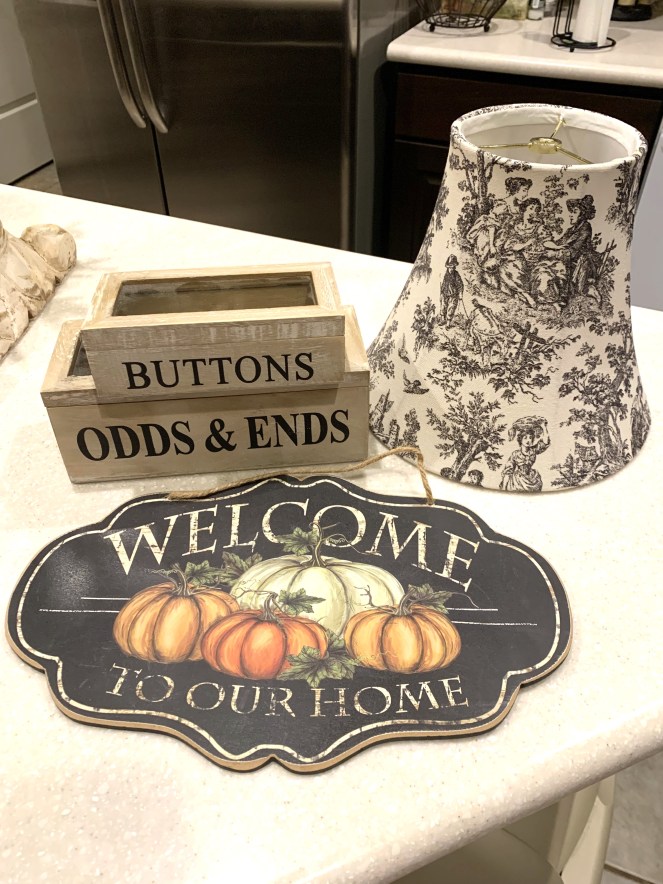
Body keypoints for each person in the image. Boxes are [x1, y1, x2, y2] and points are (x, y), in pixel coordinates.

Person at [498, 198, 542, 306]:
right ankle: (525, 295)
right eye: (531, 208)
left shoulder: (538, 227)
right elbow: (510, 245)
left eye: (536, 210)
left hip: (529, 260)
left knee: (514, 269)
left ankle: (522, 294)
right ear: (524, 209)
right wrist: (526, 244)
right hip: (514, 257)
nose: (533, 212)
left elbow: (543, 243)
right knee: (504, 269)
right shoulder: (515, 226)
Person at [500, 418, 550, 492]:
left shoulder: (533, 450)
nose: (528, 440)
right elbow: (508, 471)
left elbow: (546, 442)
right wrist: (504, 488)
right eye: (525, 438)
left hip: (532, 479)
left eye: (530, 438)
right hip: (518, 480)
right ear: (521, 440)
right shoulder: (515, 454)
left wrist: (544, 426)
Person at [440, 254, 464, 327]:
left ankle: (448, 323)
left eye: (453, 266)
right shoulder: (446, 274)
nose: (452, 268)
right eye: (450, 266)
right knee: (443, 306)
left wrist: (460, 293)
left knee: (451, 308)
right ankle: (442, 320)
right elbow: (443, 283)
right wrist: (442, 292)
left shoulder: (456, 274)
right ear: (448, 266)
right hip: (445, 293)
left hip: (453, 294)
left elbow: (460, 284)